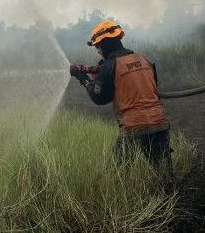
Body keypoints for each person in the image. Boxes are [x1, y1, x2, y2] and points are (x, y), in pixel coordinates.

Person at [70, 20, 173, 176]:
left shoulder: (110, 66)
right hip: (159, 123)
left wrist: (83, 79)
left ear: (104, 44)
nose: (97, 50)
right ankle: (172, 195)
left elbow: (100, 98)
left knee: (118, 176)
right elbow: (149, 86)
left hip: (134, 127)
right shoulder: (144, 59)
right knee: (165, 173)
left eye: (97, 46)